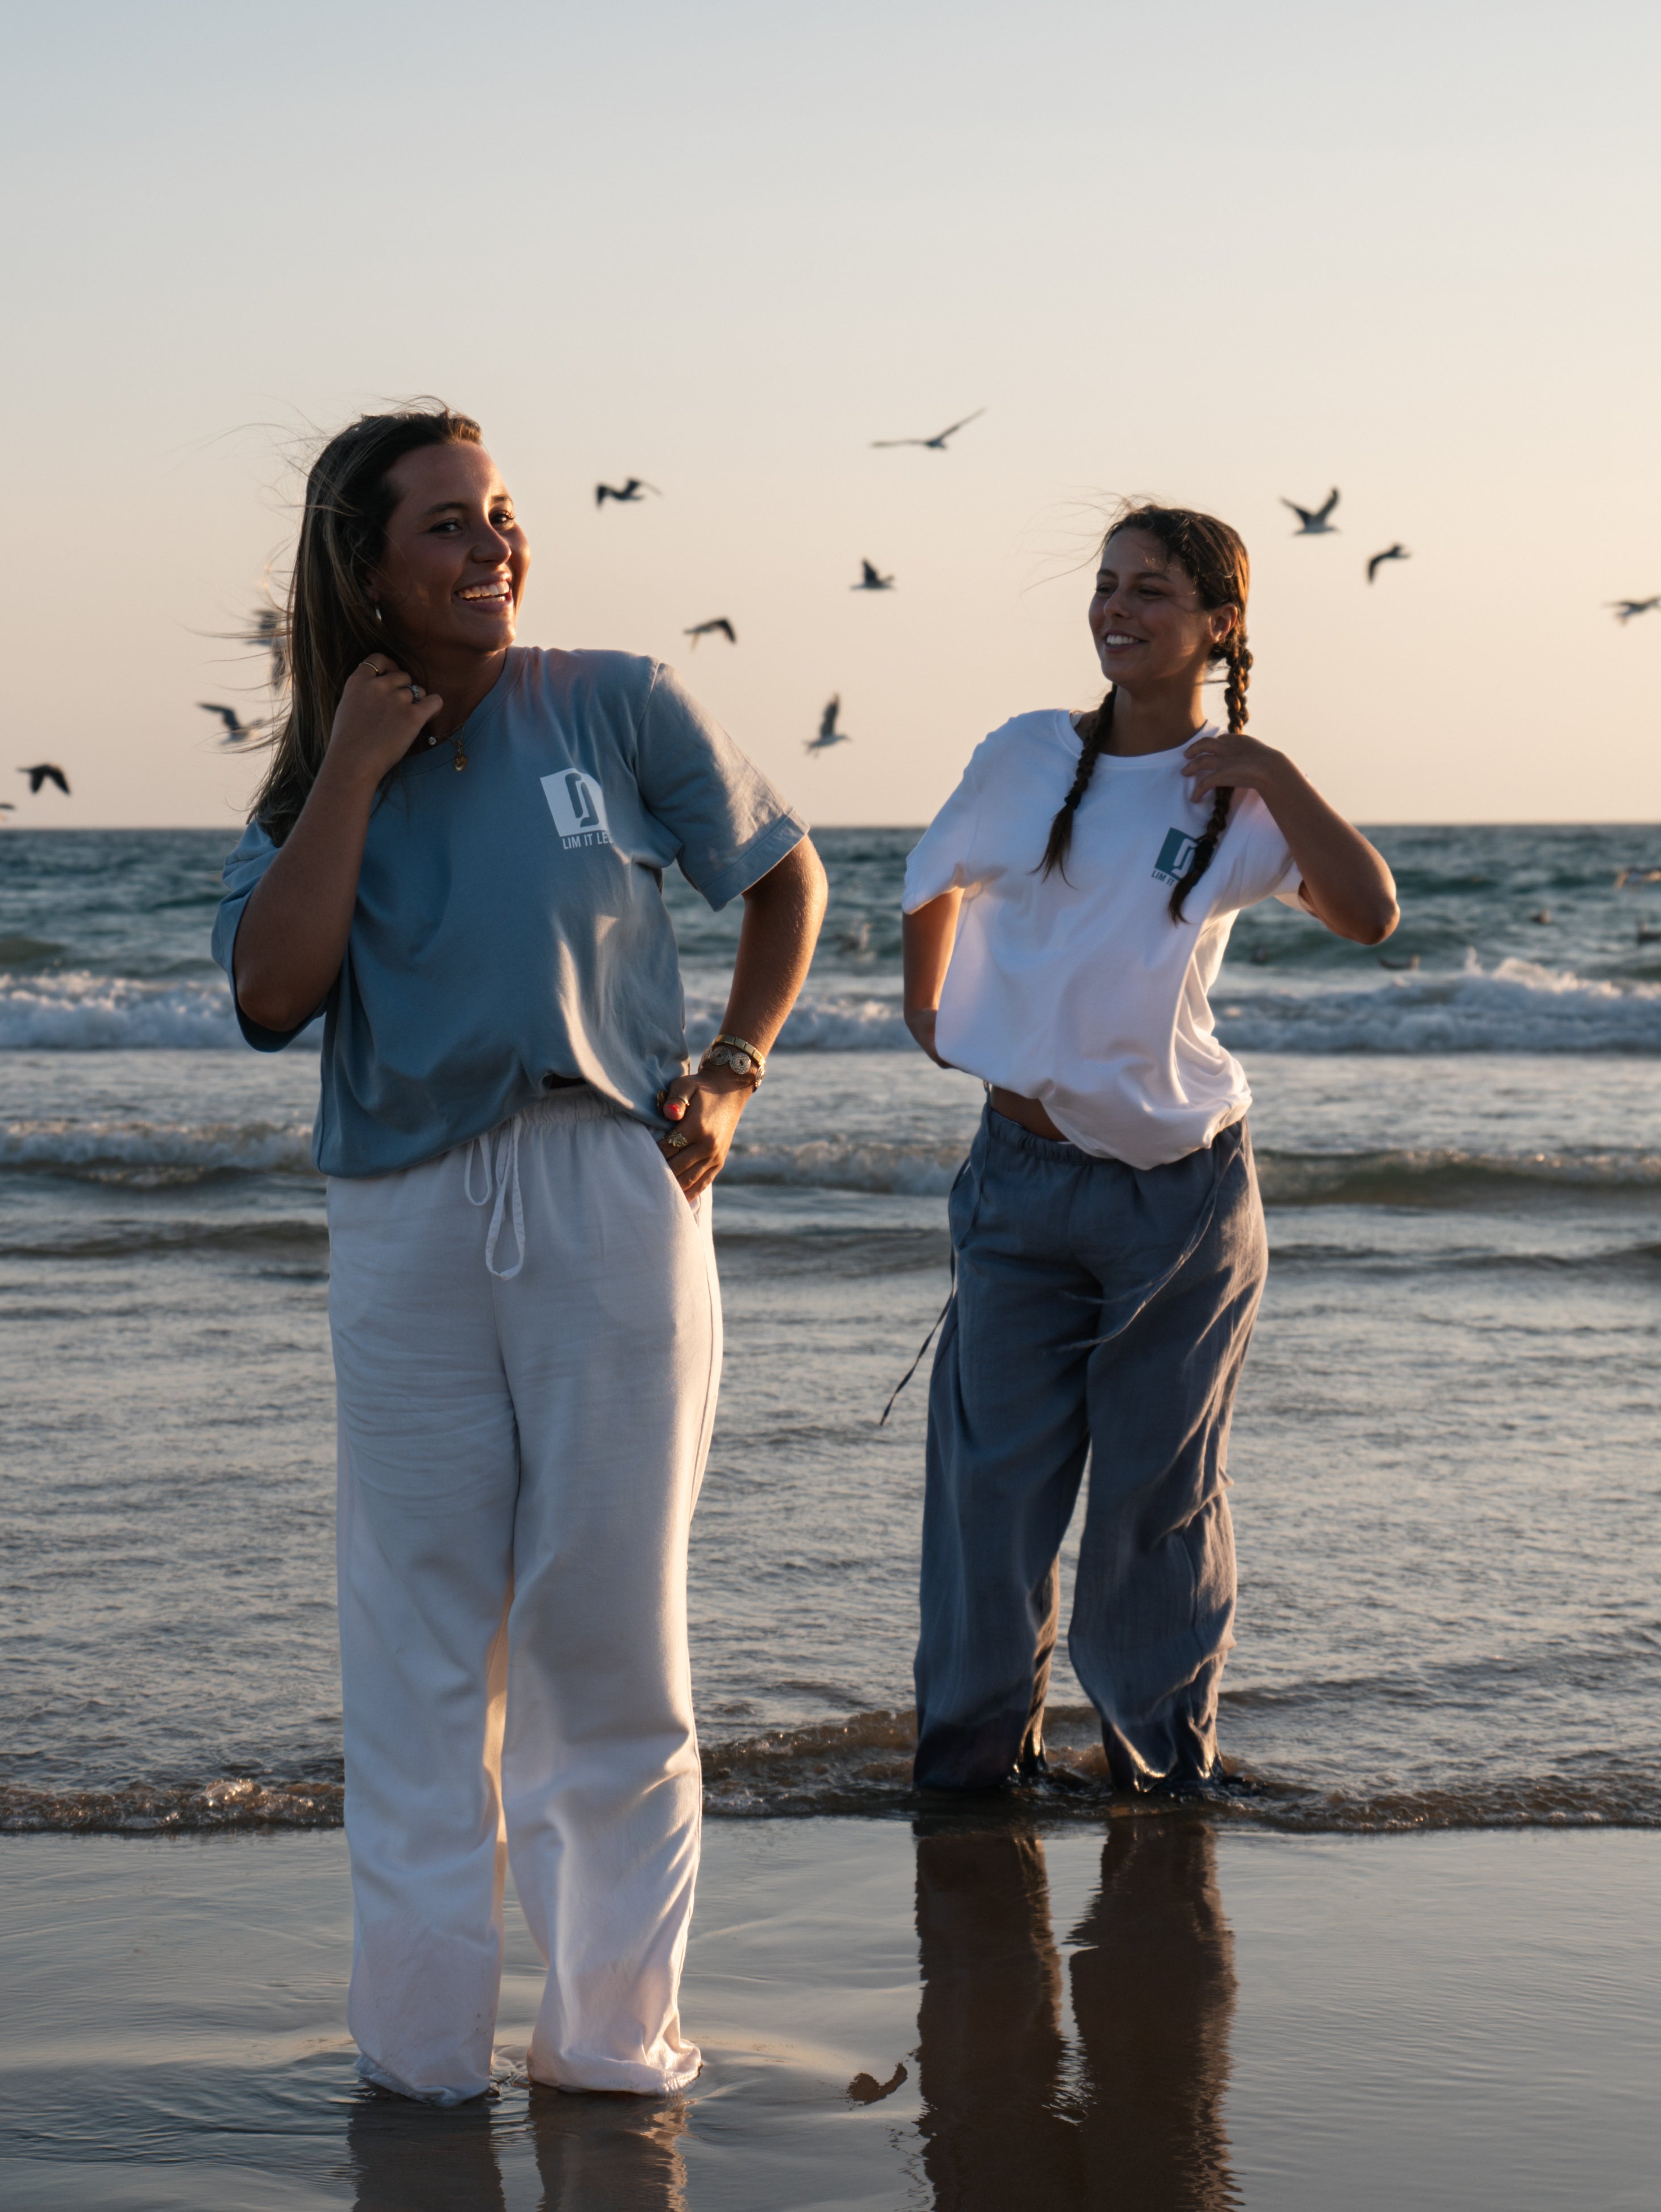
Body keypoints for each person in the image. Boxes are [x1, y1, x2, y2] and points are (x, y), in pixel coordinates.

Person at [214, 404, 826, 2103]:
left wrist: (732, 1067)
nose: (493, 547)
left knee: (605, 1629)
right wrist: (350, 764)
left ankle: (612, 2045)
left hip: (604, 1192)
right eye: (445, 526)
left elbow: (783, 879)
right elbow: (272, 994)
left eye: (500, 515)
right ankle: (420, 2064)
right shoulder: (315, 767)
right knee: (417, 1653)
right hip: (401, 1219)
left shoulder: (614, 697)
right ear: (365, 569)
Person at [899, 501, 1397, 1796]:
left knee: (1151, 1506)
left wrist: (1275, 772)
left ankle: (1159, 1777)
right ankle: (967, 1777)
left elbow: (1370, 912)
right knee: (989, 1501)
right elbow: (928, 876)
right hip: (1018, 1189)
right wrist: (938, 1024)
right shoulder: (1024, 753)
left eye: (1153, 592)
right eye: (1109, 585)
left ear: (1219, 625)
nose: (1118, 608)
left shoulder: (1233, 797)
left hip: (1181, 1198)